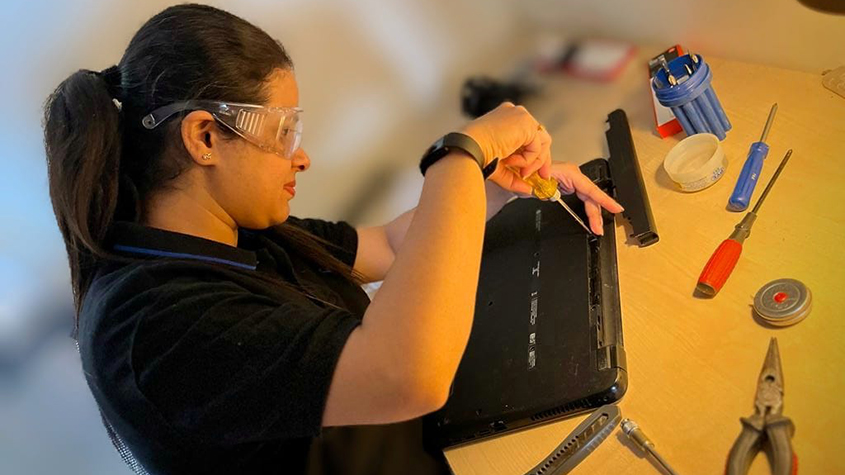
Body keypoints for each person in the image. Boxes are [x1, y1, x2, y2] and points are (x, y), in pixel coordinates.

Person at [43, 4, 623, 475]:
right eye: (282, 131)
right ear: (204, 138)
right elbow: (410, 374)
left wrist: (491, 190)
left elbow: (392, 248)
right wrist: (459, 158)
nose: (302, 156)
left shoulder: (232, 230)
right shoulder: (149, 330)